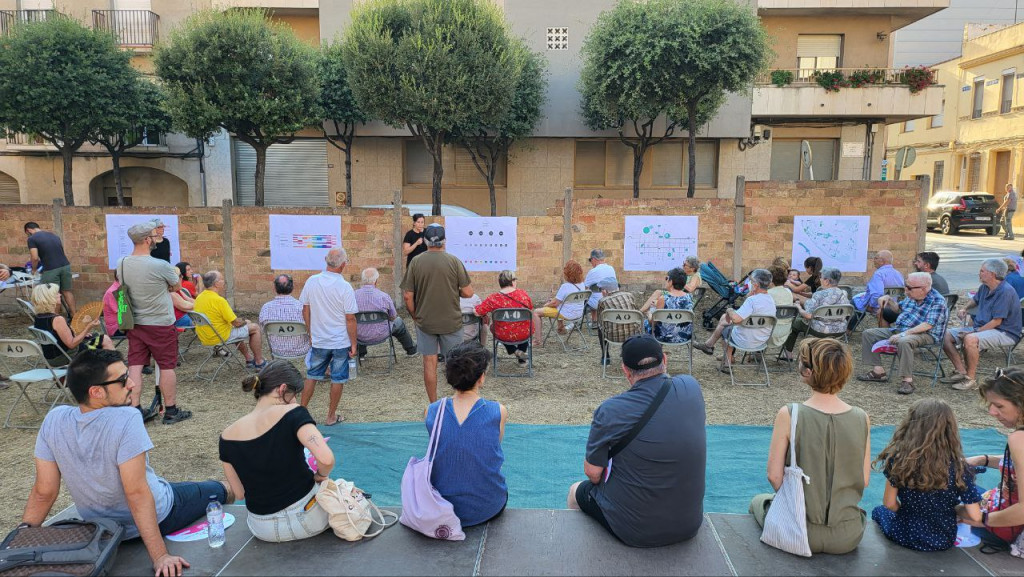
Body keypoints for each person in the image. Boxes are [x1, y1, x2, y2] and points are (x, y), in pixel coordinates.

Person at [19, 349, 232, 577]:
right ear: (97, 392)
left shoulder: (54, 419)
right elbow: (137, 493)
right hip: (159, 515)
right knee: (220, 489)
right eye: (122, 380)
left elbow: (44, 490)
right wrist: (160, 556)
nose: (132, 383)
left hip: (101, 529)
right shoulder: (126, 418)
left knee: (169, 485)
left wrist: (17, 544)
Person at [568, 335, 706, 547]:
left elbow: (593, 473)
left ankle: (583, 553)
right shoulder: (691, 387)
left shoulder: (611, 410)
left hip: (634, 530)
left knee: (576, 490)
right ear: (665, 360)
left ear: (625, 370)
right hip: (689, 524)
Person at [750, 338, 871, 555]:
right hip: (849, 534)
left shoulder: (790, 413)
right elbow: (864, 479)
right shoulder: (862, 417)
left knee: (758, 502)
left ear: (807, 372)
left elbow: (774, 477)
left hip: (799, 530)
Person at [220, 361, 333, 543]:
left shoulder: (226, 435)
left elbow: (239, 493)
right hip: (308, 517)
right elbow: (326, 460)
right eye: (295, 394)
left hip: (261, 528)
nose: (295, 400)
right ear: (282, 389)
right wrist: (320, 475)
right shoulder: (294, 413)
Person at [871, 399, 982, 551]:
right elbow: (975, 516)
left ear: (910, 427)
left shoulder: (898, 460)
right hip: (943, 539)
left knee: (878, 511)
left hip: (903, 533)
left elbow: (889, 504)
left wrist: (909, 514)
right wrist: (952, 511)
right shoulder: (960, 467)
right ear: (951, 431)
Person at [425, 342, 508, 527]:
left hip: (440, 506)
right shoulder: (497, 411)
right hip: (487, 506)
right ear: (481, 378)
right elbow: (494, 446)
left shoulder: (431, 412)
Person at [119, 221, 188, 424]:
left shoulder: (122, 262)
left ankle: (134, 408)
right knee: (167, 366)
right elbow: (176, 287)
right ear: (148, 240)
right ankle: (171, 410)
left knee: (135, 365)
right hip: (160, 322)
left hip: (135, 322)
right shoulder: (161, 266)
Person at [401, 224, 474, 403]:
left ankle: (433, 404)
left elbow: (407, 296)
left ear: (425, 241)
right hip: (451, 321)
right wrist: (452, 290)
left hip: (425, 321)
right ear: (444, 241)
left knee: (429, 363)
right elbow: (468, 293)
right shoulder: (454, 261)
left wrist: (415, 315)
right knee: (456, 363)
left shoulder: (416, 262)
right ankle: (457, 402)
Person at [960, 367, 1024, 544]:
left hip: (1006, 527)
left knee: (942, 501)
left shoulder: (1019, 439)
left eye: (999, 406)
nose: (992, 412)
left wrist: (983, 520)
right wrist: (983, 459)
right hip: (1003, 511)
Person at [857, 272, 947, 395]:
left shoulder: (938, 301)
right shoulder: (912, 296)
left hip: (926, 334)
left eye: (909, 287)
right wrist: (888, 299)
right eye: (906, 286)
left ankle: (907, 381)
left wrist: (904, 334)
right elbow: (898, 309)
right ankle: (878, 371)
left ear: (924, 288)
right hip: (902, 330)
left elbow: (928, 325)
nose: (906, 289)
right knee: (869, 333)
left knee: (904, 341)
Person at [941, 258, 1023, 391]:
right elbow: (975, 300)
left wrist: (975, 331)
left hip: (1005, 331)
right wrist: (965, 309)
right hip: (984, 327)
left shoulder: (1005, 291)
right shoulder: (985, 287)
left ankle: (970, 379)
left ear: (992, 274)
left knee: (970, 339)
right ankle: (960, 370)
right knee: (945, 335)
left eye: (982, 271)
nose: (979, 273)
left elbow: (997, 321)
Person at [300, 248, 359, 425]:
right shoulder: (345, 287)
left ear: (326, 261)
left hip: (319, 338)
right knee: (338, 378)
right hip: (340, 340)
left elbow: (305, 309)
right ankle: (331, 415)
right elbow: (350, 318)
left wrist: (310, 332)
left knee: (312, 375)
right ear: (343, 264)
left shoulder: (312, 281)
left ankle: (301, 413)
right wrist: (354, 343)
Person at [694, 268, 777, 368]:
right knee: (725, 319)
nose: (749, 283)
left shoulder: (752, 301)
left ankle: (726, 362)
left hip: (745, 340)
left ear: (755, 285)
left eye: (750, 281)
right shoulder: (771, 299)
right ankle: (709, 345)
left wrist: (729, 310)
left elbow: (736, 319)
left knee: (725, 329)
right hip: (762, 340)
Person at [193, 270, 266, 369]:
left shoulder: (199, 298)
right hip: (219, 336)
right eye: (222, 279)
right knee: (255, 328)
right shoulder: (219, 300)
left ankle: (249, 359)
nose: (224, 282)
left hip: (205, 336)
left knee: (238, 329)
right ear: (216, 284)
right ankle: (259, 362)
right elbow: (236, 323)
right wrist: (246, 321)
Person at [31, 283, 112, 365]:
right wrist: (88, 326)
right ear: (49, 298)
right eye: (56, 293)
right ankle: (115, 369)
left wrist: (79, 334)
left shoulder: (38, 317)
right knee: (105, 340)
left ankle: (111, 368)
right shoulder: (57, 319)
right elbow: (71, 344)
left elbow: (58, 336)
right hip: (65, 356)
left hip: (51, 357)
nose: (60, 295)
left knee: (99, 337)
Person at [781, 267, 849, 358]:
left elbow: (808, 315)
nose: (820, 280)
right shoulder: (844, 293)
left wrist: (798, 307)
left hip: (820, 330)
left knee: (795, 323)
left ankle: (787, 354)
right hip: (840, 330)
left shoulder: (819, 295)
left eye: (821, 278)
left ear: (827, 281)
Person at [354, 267, 416, 357]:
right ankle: (411, 350)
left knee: (358, 323)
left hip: (359, 335)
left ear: (363, 280)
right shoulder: (384, 296)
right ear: (376, 281)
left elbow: (349, 316)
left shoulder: (353, 295)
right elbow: (393, 316)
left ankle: (361, 354)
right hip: (381, 333)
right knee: (399, 322)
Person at [474, 270, 534, 362]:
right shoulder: (523, 295)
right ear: (513, 281)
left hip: (503, 334)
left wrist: (474, 308)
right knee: (526, 324)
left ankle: (515, 351)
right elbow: (530, 308)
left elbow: (478, 312)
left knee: (493, 327)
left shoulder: (493, 298)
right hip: (524, 333)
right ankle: (522, 361)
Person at [24, 221, 75, 315]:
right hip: (65, 265)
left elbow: (34, 258)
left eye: (27, 234)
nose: (28, 236)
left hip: (51, 269)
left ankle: (54, 319)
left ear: (28, 230)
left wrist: (34, 270)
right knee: (66, 291)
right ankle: (74, 315)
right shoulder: (54, 235)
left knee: (52, 294)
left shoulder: (32, 239)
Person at [849, 250, 905, 332]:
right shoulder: (898, 273)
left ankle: (848, 330)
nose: (873, 260)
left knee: (854, 302)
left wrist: (871, 306)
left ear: (882, 261)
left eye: (876, 258)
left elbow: (877, 294)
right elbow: (901, 291)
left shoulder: (879, 274)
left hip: (879, 306)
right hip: (893, 305)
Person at [258, 274, 311, 360]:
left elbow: (262, 329)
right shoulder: (302, 307)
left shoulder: (266, 308)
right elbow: (310, 328)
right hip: (302, 350)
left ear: (274, 288)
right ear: (292, 287)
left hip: (277, 350)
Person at [532, 260, 586, 337]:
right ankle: (561, 328)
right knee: (559, 305)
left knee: (536, 312)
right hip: (579, 313)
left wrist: (547, 304)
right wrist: (553, 302)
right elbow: (558, 301)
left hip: (567, 314)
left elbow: (555, 303)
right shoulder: (582, 285)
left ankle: (537, 340)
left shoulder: (565, 286)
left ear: (568, 274)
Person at [595, 278, 641, 366]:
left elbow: (600, 322)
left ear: (605, 291)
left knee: (599, 327)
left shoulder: (603, 301)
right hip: (633, 336)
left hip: (613, 337)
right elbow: (637, 313)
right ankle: (627, 351)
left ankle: (605, 356)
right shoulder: (629, 295)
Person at [642, 267, 693, 344]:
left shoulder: (663, 299)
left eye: (666, 278)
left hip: (664, 337)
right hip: (685, 337)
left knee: (645, 323)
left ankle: (651, 351)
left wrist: (649, 314)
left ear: (671, 281)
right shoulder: (689, 297)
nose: (665, 281)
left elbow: (653, 322)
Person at [583, 249, 617, 321]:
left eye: (590, 260)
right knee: (595, 293)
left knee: (591, 294)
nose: (591, 262)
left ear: (594, 259)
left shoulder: (592, 271)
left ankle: (594, 320)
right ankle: (597, 320)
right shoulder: (611, 268)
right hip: (611, 301)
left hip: (597, 304)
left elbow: (584, 288)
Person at [767, 265, 794, 350]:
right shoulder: (788, 292)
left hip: (768, 332)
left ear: (770, 280)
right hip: (785, 331)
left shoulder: (767, 294)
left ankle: (757, 353)